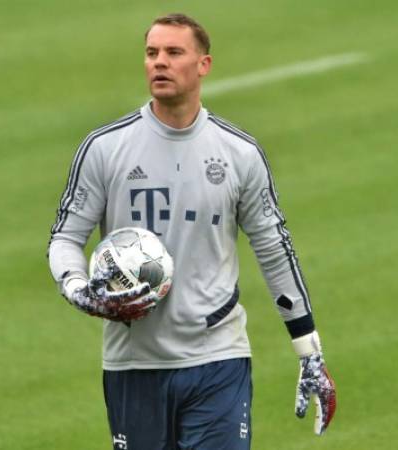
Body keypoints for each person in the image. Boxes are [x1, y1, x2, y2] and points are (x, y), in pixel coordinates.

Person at [48, 13, 336, 450]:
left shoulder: (239, 154)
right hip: (133, 363)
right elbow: (65, 238)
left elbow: (275, 249)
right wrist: (78, 288)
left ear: (203, 65)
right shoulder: (105, 149)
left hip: (218, 358)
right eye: (151, 53)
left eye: (173, 52)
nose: (159, 62)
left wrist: (308, 349)